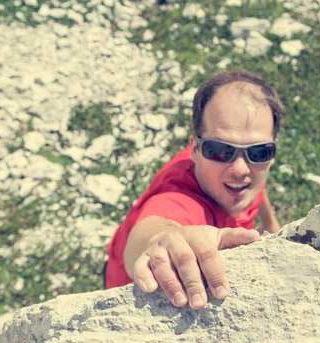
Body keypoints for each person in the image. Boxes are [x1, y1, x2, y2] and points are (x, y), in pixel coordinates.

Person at [104, 70, 283, 309]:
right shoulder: (179, 198)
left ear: (272, 152)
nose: (241, 169)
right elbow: (153, 228)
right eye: (220, 149)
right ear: (195, 149)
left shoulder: (233, 172)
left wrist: (270, 225)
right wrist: (164, 240)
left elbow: (259, 190)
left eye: (260, 151)